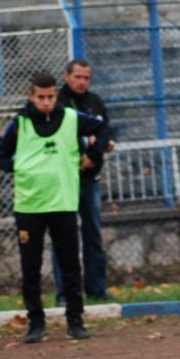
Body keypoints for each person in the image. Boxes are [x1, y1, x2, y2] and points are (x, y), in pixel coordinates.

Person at [0, 72, 111, 344]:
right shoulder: (20, 123)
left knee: (70, 265)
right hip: (29, 206)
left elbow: (102, 128)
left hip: (63, 203)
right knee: (30, 268)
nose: (46, 102)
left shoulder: (71, 118)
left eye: (50, 97)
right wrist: (22, 168)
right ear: (31, 96)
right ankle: (36, 324)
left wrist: (94, 155)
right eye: (40, 97)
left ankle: (75, 322)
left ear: (56, 95)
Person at [52, 58, 114, 306]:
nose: (82, 82)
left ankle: (97, 290)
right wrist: (86, 140)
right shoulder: (57, 102)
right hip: (63, 181)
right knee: (63, 238)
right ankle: (65, 295)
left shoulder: (95, 102)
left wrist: (93, 153)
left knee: (93, 237)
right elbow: (62, 136)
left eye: (86, 77)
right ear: (67, 76)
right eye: (77, 77)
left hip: (90, 180)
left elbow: (105, 133)